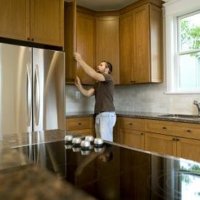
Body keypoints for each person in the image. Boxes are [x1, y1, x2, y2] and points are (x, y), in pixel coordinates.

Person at [74, 52, 116, 142]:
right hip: (99, 115)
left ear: (107, 69)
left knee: (106, 144)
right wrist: (79, 86)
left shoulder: (108, 77)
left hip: (106, 114)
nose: (98, 66)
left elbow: (93, 74)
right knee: (99, 143)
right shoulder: (98, 83)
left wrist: (80, 60)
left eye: (101, 65)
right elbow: (88, 93)